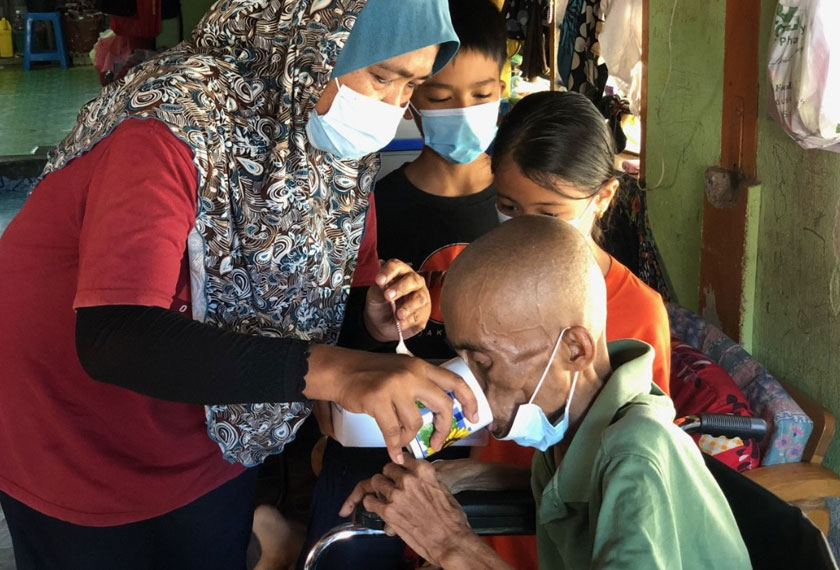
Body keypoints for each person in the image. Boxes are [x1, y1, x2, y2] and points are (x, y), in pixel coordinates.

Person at [0, 1, 480, 568]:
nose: (392, 106)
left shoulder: (333, 152)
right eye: (381, 76)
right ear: (310, 38)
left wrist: (372, 318)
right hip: (74, 431)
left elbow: (328, 307)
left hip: (214, 426)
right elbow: (114, 336)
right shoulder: (172, 122)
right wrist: (343, 372)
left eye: (412, 87)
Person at [341, 217, 751, 570]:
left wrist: (451, 543)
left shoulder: (636, 456)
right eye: (462, 360)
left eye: (483, 363)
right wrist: (467, 476)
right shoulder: (578, 431)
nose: (466, 385)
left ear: (574, 350)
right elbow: (583, 492)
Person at [299, 3, 507, 568]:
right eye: (439, 97)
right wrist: (372, 324)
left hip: (487, 451)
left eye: (482, 93)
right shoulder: (373, 206)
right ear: (412, 96)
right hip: (377, 446)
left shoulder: (520, 207)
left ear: (503, 87)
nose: (463, 111)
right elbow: (332, 332)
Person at [436, 90, 674, 569]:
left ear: (603, 197)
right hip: (488, 519)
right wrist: (462, 476)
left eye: (548, 215)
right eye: (508, 207)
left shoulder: (639, 314)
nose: (524, 231)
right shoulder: (478, 279)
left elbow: (619, 479)